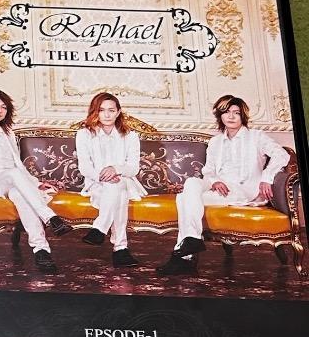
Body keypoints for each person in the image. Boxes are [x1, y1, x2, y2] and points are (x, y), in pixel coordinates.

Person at [157, 95, 289, 276]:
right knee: (192, 183)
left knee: (183, 199)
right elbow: (209, 170)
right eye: (226, 112)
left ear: (243, 116)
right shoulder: (215, 141)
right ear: (220, 116)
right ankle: (191, 242)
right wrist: (214, 181)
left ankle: (184, 257)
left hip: (244, 189)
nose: (231, 116)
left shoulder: (256, 137)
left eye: (236, 112)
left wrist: (267, 177)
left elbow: (282, 155)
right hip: (220, 187)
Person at [0, 89, 72, 274]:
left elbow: (19, 167)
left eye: (4, 107)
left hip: (12, 182)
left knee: (19, 193)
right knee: (12, 174)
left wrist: (35, 184)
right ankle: (50, 217)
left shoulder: (6, 134)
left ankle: (41, 250)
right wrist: (5, 173)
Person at [74, 91, 145, 269]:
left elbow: (133, 168)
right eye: (101, 110)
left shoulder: (130, 136)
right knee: (117, 192)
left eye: (111, 110)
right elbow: (85, 167)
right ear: (95, 112)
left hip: (125, 181)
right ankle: (120, 249)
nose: (106, 115)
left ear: (118, 112)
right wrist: (103, 176)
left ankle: (100, 228)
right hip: (96, 183)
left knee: (118, 185)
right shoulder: (84, 134)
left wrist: (116, 169)